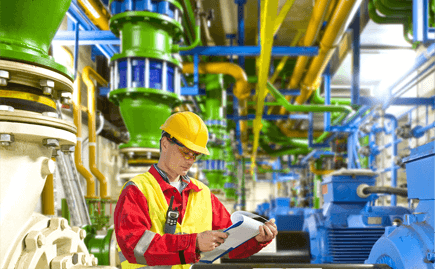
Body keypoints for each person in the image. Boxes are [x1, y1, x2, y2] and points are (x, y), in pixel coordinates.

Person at [114, 111, 278, 269]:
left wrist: (256, 239)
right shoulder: (137, 190)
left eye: (195, 155)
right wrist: (194, 244)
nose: (190, 161)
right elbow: (134, 246)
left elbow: (229, 245)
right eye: (185, 152)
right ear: (165, 144)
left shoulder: (203, 193)